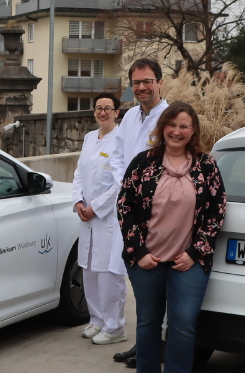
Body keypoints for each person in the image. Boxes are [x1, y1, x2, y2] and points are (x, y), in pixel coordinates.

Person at [117, 101, 227, 373]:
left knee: (182, 324)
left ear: (193, 131)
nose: (176, 131)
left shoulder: (206, 166)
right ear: (162, 126)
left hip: (188, 261)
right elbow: (124, 206)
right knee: (148, 323)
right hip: (146, 260)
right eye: (172, 124)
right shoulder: (143, 163)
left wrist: (196, 252)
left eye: (184, 126)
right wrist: (138, 252)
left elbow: (217, 210)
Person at [109, 58, 170, 366]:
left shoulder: (169, 117)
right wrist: (126, 182)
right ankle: (142, 342)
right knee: (139, 283)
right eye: (136, 83)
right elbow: (117, 154)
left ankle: (155, 346)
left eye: (148, 81)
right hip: (130, 208)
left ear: (160, 82)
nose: (142, 87)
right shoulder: (131, 115)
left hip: (158, 210)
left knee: (157, 280)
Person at [71, 92, 128, 345]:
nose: (102, 112)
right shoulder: (89, 138)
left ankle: (115, 327)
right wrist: (78, 203)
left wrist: (95, 207)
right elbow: (79, 174)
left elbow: (120, 184)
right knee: (89, 270)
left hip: (108, 218)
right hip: (86, 217)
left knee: (109, 274)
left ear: (117, 112)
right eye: (98, 108)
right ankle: (96, 320)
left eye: (107, 108)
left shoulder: (121, 139)